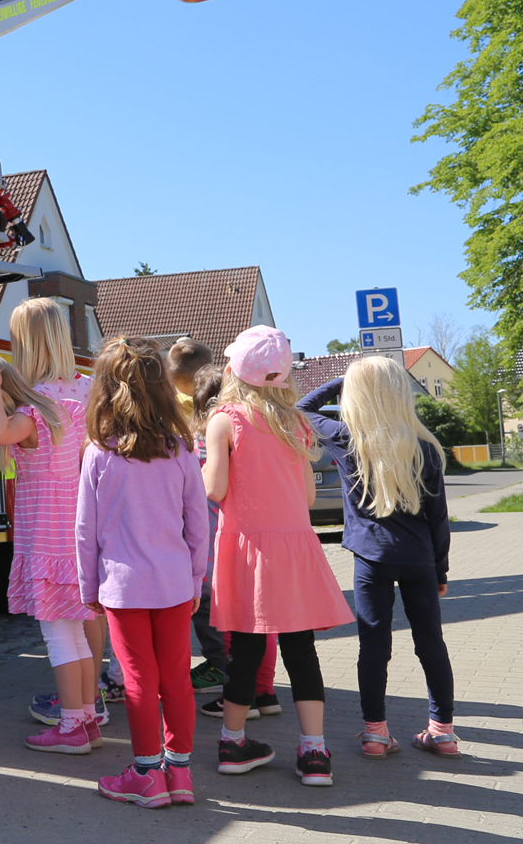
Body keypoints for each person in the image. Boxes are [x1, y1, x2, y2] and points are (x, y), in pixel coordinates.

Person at [204, 326, 354, 786]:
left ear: (234, 369)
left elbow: (216, 489)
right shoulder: (298, 423)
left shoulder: (225, 419)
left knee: (245, 650)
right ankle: (314, 753)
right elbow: (308, 495)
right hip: (293, 548)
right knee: (301, 650)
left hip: (247, 548)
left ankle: (233, 743)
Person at [299, 355, 457, 759]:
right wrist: (441, 568)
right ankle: (442, 732)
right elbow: (439, 520)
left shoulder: (346, 436)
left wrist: (342, 380)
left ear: (358, 395)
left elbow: (300, 409)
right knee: (431, 644)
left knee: (373, 646)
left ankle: (374, 734)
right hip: (420, 558)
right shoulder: (425, 446)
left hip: (370, 559)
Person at [77, 336, 212, 808]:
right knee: (176, 678)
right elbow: (199, 522)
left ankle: (145, 774)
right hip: (175, 583)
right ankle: (180, 774)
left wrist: (87, 587)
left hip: (122, 587)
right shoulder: (180, 450)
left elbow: (85, 530)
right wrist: (197, 579)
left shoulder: (99, 452)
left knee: (138, 681)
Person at [0, 347, 98, 754]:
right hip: (75, 540)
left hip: (47, 543)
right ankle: (87, 719)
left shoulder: (28, 418)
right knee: (77, 638)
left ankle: (71, 726)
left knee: (59, 638)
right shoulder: (65, 409)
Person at [6, 298, 122, 725]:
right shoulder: (92, 387)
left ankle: (77, 708)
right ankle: (94, 700)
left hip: (51, 522)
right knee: (91, 609)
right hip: (97, 514)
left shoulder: (30, 398)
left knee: (64, 621)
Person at [186, 362, 281, 721]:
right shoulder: (259, 429)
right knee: (263, 621)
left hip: (220, 538)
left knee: (229, 621)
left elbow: (207, 489)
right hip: (261, 535)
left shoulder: (209, 436)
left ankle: (238, 694)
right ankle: (265, 690)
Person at [167, 340, 228, 694]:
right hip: (226, 527)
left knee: (202, 600)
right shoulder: (227, 414)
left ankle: (219, 665)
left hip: (199, 528)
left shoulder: (186, 425)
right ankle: (231, 668)